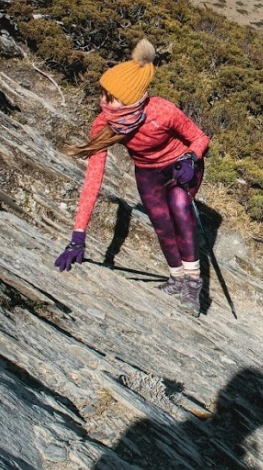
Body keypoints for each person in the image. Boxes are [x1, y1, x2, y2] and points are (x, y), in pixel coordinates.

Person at [55, 38, 211, 315]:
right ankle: (176, 278)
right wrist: (78, 235)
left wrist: (191, 158)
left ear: (130, 98)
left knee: (178, 204)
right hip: (148, 172)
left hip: (181, 166)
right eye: (102, 94)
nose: (103, 102)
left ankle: (193, 283)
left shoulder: (162, 111)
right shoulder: (105, 123)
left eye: (110, 97)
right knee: (162, 223)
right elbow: (93, 177)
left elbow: (199, 137)